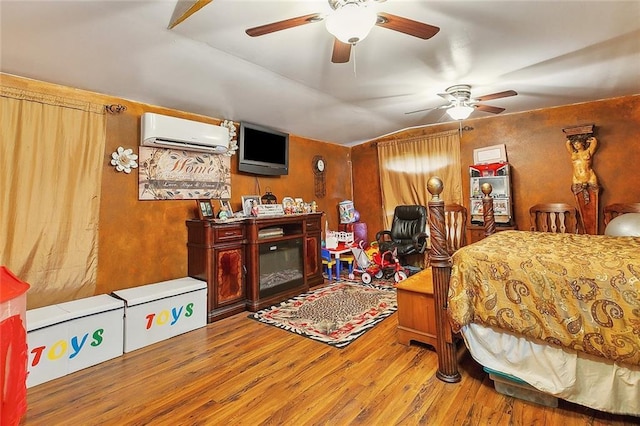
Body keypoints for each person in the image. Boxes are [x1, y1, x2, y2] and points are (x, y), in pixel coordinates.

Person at [566, 135, 598, 202]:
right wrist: (571, 138)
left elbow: (594, 142)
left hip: (589, 176)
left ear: (582, 143)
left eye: (577, 143)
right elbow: (568, 144)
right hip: (577, 178)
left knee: (594, 199)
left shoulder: (588, 152)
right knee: (579, 200)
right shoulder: (573, 153)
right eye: (574, 144)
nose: (576, 145)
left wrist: (588, 139)